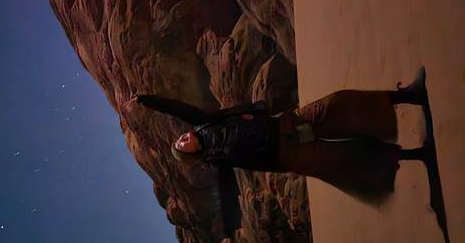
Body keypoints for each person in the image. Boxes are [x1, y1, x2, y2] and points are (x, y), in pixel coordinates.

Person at [126, 67, 432, 201]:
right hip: (288, 154)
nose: (182, 140)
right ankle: (416, 154)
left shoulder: (204, 123)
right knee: (347, 159)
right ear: (189, 154)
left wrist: (145, 100)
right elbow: (230, 186)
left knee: (339, 104)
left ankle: (409, 95)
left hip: (284, 124)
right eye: (181, 147)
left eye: (179, 138)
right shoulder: (213, 160)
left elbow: (176, 108)